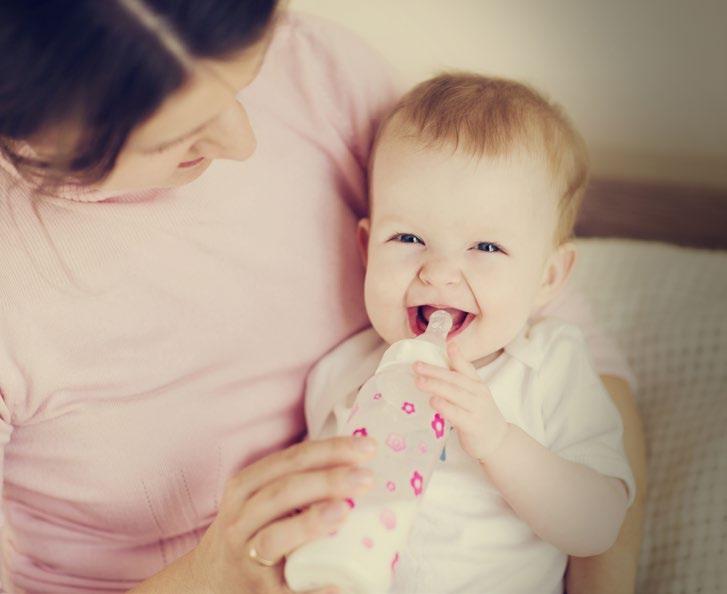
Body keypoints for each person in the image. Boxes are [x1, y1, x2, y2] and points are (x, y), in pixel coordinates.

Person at [0, 1, 645, 593]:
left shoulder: (320, 71)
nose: (244, 142)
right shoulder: (342, 381)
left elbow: (568, 337)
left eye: (247, 75)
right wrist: (210, 576)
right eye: (176, 135)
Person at [302, 73, 636, 593]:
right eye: (408, 237)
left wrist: (498, 441)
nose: (439, 272)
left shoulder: (550, 365)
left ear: (547, 277)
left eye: (485, 248)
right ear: (367, 249)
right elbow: (310, 505)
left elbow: (597, 527)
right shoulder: (346, 375)